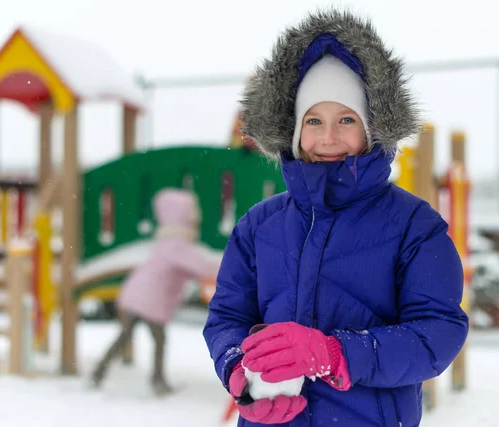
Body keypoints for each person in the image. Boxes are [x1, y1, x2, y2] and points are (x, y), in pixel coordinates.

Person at [203, 9, 468, 426]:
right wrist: (240, 373)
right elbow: (227, 318)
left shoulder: (414, 225)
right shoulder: (259, 226)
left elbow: (439, 332)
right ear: (294, 130)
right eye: (314, 121)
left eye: (346, 119)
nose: (328, 137)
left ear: (371, 128)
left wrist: (336, 354)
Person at [92, 188, 220, 396]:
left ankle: (99, 372)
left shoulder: (167, 243)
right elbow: (203, 266)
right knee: (157, 341)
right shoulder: (177, 246)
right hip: (149, 300)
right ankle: (157, 381)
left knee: (124, 337)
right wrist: (229, 265)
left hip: (135, 296)